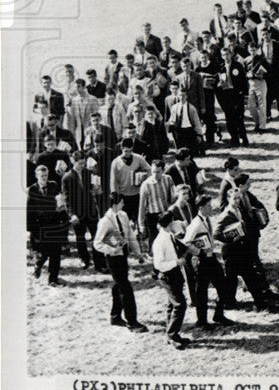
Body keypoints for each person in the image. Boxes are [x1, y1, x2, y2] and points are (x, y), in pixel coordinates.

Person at [93, 191, 148, 332]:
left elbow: (130, 235)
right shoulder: (105, 221)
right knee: (126, 288)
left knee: (119, 285)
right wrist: (112, 250)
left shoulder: (123, 216)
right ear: (116, 204)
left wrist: (138, 253)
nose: (124, 204)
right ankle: (132, 322)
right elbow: (97, 244)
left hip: (123, 256)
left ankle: (115, 316)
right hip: (113, 258)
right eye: (122, 202)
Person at [182, 194, 235, 329]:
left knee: (222, 287)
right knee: (202, 292)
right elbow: (186, 243)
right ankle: (202, 321)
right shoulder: (196, 224)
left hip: (211, 258)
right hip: (202, 261)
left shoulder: (206, 219)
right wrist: (199, 252)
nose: (211, 208)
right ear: (200, 207)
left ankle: (218, 314)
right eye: (208, 206)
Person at [151, 211, 191, 349]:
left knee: (172, 305)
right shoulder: (160, 241)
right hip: (168, 275)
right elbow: (158, 265)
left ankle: (172, 334)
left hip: (174, 275)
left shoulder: (169, 236)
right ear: (171, 223)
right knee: (180, 305)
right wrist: (177, 262)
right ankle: (172, 335)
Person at [61, 150, 105, 271]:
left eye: (83, 163)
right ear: (73, 162)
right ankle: (84, 260)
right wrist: (72, 215)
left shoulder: (89, 173)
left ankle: (99, 263)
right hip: (77, 213)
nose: (82, 166)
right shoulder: (67, 178)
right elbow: (66, 199)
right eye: (80, 163)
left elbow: (94, 190)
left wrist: (97, 190)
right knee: (80, 238)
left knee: (97, 236)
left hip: (91, 211)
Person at [27, 164, 70, 286]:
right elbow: (29, 210)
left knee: (56, 253)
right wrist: (31, 228)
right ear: (36, 176)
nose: (44, 178)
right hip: (40, 225)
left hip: (54, 223)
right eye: (41, 176)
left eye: (45, 175)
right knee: (44, 252)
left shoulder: (54, 186)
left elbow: (60, 203)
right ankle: (38, 264)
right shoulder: (32, 190)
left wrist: (64, 219)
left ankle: (53, 279)